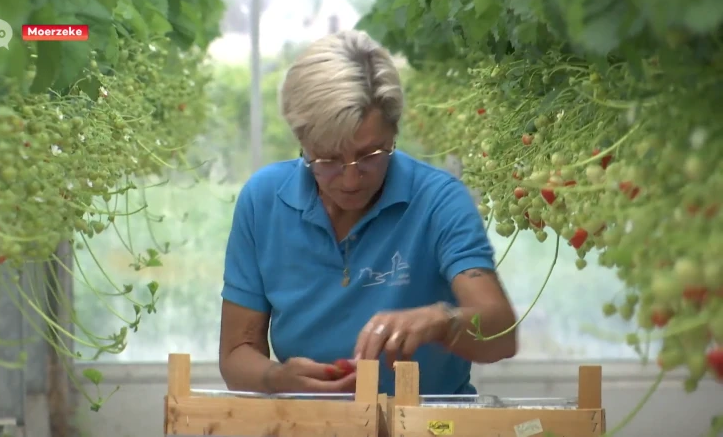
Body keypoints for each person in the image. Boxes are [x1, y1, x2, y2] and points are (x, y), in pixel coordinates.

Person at [218, 30, 518, 396]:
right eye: (327, 159)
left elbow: (502, 333)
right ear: (302, 141)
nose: (349, 179)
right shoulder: (264, 200)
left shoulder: (439, 200)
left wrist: (442, 321)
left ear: (394, 132)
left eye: (370, 156)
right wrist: (276, 379)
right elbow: (236, 353)